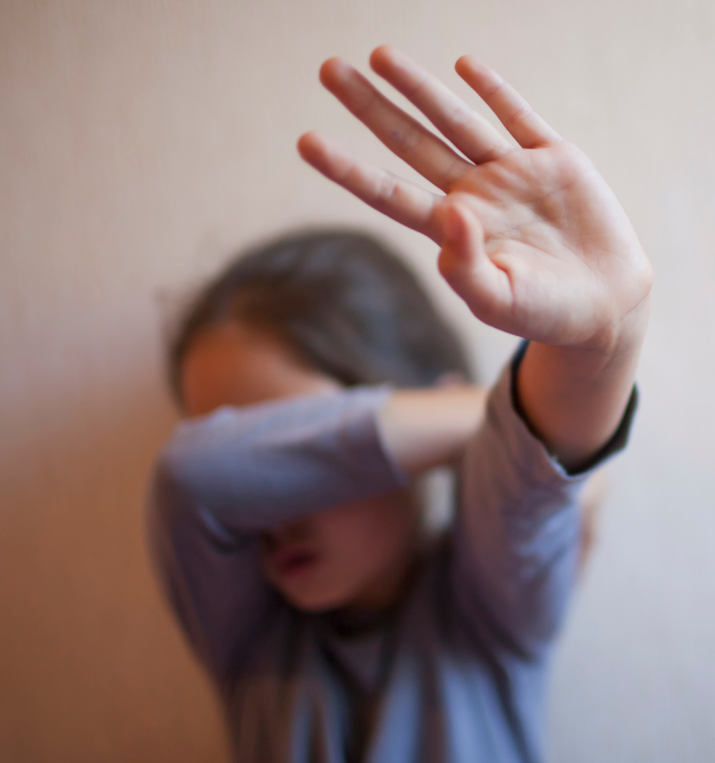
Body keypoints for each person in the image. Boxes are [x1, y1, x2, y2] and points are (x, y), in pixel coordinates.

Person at [148, 45, 653, 763]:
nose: (261, 509)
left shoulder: (487, 611)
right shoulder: (250, 643)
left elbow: (522, 497)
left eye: (296, 442)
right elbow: (191, 479)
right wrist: (477, 417)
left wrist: (602, 337)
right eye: (258, 457)